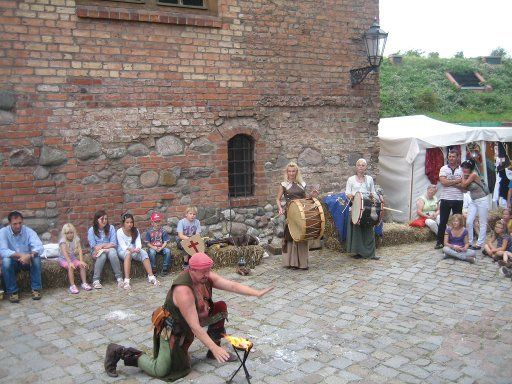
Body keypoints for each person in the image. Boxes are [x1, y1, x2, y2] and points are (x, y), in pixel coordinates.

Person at [104, 252, 273, 380]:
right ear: (191, 270)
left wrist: (255, 293)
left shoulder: (204, 275)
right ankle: (120, 352)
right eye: (203, 272)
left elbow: (232, 285)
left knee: (219, 308)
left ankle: (211, 351)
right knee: (162, 370)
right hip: (173, 329)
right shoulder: (183, 291)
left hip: (192, 321)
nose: (207, 275)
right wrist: (216, 348)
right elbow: (195, 327)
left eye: (208, 270)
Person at [276, 161, 318, 269]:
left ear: (296, 171)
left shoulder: (302, 184)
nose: (291, 173)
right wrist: (280, 208)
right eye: (289, 171)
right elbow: (278, 199)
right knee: (291, 235)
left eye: (293, 171)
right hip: (290, 212)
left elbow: (305, 199)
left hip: (301, 212)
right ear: (287, 172)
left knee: (302, 233)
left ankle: (302, 263)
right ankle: (292, 262)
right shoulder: (283, 185)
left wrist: (311, 196)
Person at [0, 211, 44, 303]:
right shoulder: (3, 232)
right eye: (15, 224)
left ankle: (36, 289)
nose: (18, 226)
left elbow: (39, 247)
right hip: (13, 262)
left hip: (27, 261)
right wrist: (21, 255)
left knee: (36, 258)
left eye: (20, 223)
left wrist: (29, 255)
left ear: (22, 222)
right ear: (9, 223)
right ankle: (13, 292)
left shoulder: (28, 231)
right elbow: (3, 251)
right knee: (6, 261)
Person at [344, 158, 381, 260]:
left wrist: (372, 196)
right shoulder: (351, 179)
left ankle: (370, 253)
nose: (361, 167)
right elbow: (347, 193)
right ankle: (358, 252)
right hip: (355, 208)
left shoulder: (369, 179)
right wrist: (354, 197)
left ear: (366, 167)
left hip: (368, 208)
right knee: (357, 231)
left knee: (368, 229)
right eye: (359, 165)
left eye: (363, 165)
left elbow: (373, 192)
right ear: (356, 167)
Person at [117, 213, 158, 290]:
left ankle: (151, 276)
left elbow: (138, 243)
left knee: (144, 252)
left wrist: (138, 248)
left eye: (131, 222)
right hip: (124, 251)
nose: (130, 224)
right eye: (127, 222)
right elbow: (123, 246)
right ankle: (126, 280)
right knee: (128, 254)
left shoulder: (135, 230)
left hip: (134, 250)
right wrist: (131, 249)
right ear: (123, 223)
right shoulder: (119, 232)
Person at [87, 210, 123, 289]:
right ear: (97, 220)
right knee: (102, 255)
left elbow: (113, 243)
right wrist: (105, 246)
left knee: (113, 253)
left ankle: (119, 278)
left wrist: (104, 247)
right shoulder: (91, 230)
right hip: (97, 251)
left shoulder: (111, 228)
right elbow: (94, 247)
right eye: (102, 219)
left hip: (110, 249)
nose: (104, 221)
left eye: (106, 219)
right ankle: (96, 280)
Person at [435, 150, 464, 249]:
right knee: (443, 221)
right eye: (450, 156)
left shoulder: (462, 169)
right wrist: (457, 181)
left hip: (458, 199)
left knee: (458, 222)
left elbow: (463, 186)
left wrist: (450, 182)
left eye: (453, 156)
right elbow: (443, 182)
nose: (451, 158)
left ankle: (458, 241)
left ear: (457, 157)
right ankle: (439, 242)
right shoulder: (443, 168)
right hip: (446, 198)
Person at [459, 159, 489, 250]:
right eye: (463, 167)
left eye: (467, 167)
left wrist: (462, 177)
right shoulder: (467, 175)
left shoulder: (473, 175)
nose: (464, 169)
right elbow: (464, 190)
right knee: (468, 221)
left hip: (481, 199)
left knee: (482, 222)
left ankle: (479, 244)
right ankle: (470, 242)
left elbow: (463, 185)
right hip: (473, 200)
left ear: (471, 168)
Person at [58, 223, 92, 294]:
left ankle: (84, 283)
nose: (70, 234)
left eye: (71, 232)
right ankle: (72, 285)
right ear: (64, 234)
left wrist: (81, 261)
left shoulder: (76, 239)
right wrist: (69, 263)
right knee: (71, 267)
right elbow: (65, 253)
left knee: (82, 265)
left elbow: (80, 250)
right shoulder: (63, 242)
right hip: (64, 260)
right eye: (68, 233)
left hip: (73, 259)